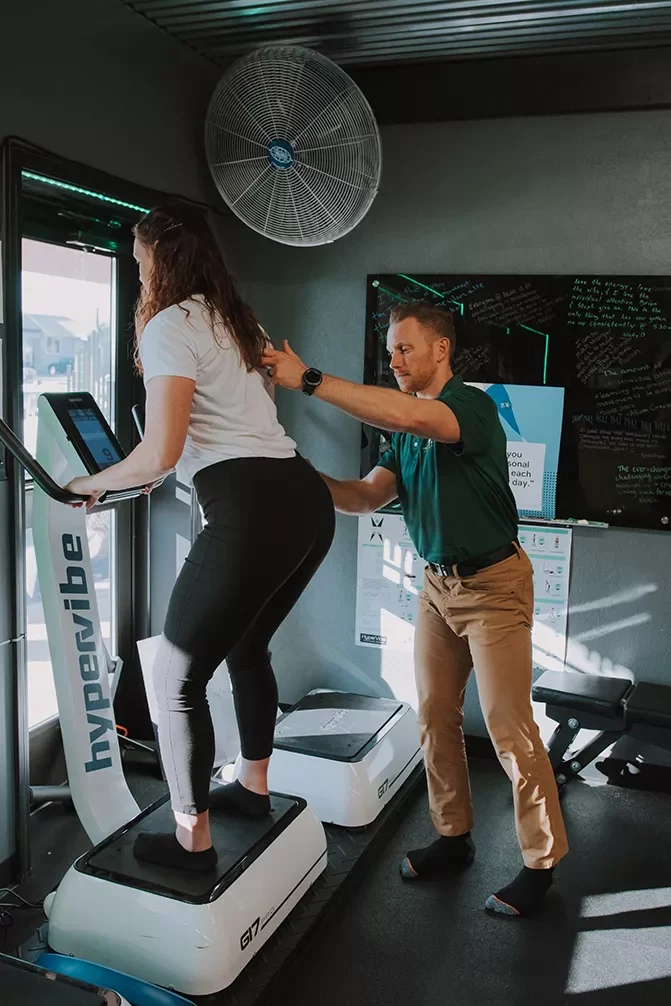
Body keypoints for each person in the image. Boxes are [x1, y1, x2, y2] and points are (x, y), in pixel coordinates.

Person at [262, 300, 568, 916]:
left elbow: (416, 417)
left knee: (509, 728)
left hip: (494, 586)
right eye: (391, 350)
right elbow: (364, 496)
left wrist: (311, 380)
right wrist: (296, 474)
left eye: (405, 348)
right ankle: (454, 838)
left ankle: (541, 862)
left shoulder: (469, 409)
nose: (394, 359)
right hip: (437, 587)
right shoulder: (404, 434)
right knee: (433, 715)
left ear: (440, 351)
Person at [66, 203, 335, 872]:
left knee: (173, 678)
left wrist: (90, 481)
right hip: (303, 498)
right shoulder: (235, 321)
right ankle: (251, 788)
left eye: (137, 258)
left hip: (250, 507)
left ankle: (193, 844)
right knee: (247, 649)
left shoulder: (165, 326)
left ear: (158, 258)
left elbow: (160, 453)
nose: (136, 269)